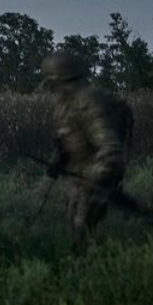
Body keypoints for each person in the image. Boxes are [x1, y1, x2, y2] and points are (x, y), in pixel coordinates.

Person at [41, 51, 133, 254]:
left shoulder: (87, 102)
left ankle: (97, 271)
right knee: (75, 224)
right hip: (81, 173)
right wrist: (61, 161)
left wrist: (96, 179)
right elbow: (70, 140)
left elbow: (110, 148)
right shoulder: (67, 102)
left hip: (93, 175)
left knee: (83, 228)